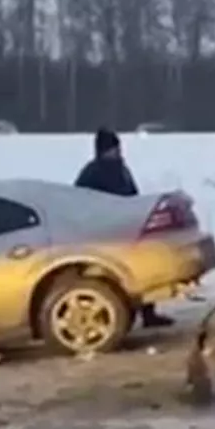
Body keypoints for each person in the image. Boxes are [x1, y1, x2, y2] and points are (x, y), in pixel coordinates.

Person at [74, 129, 173, 328]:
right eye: (113, 148)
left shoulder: (122, 169)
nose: (118, 152)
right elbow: (80, 200)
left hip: (127, 227)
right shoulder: (93, 172)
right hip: (106, 232)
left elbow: (132, 194)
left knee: (141, 270)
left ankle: (148, 313)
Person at [74, 128, 139, 197]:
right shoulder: (91, 172)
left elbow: (134, 198)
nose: (117, 150)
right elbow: (78, 198)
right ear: (103, 150)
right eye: (112, 148)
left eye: (117, 147)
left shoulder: (123, 172)